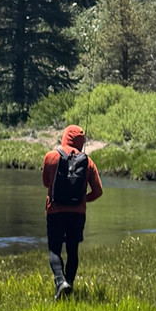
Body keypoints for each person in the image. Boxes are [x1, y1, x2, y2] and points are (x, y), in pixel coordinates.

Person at [42, 124, 103, 300]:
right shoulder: (88, 162)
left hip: (55, 210)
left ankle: (60, 281)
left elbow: (46, 183)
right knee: (72, 250)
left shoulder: (51, 156)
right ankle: (69, 284)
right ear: (81, 142)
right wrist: (83, 200)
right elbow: (98, 192)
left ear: (65, 137)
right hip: (77, 214)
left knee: (54, 248)